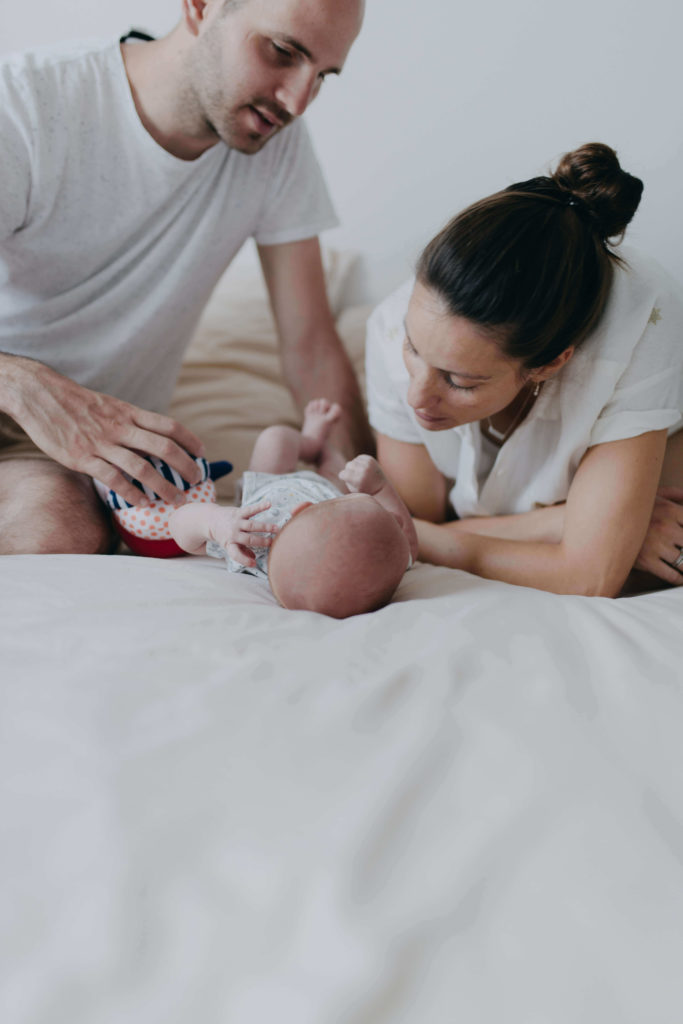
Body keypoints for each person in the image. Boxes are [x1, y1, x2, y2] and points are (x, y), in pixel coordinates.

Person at [0, 0, 371, 556]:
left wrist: (369, 499)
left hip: (62, 458)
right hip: (13, 398)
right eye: (282, 51)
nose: (297, 100)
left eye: (323, 76)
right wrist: (27, 387)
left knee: (57, 530)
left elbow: (311, 346)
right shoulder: (28, 102)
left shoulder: (278, 147)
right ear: (200, 6)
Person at [365, 143, 683, 597]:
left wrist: (436, 540)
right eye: (413, 350)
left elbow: (589, 576)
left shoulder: (640, 324)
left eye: (460, 381)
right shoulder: (389, 325)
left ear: (550, 363)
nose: (417, 396)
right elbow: (411, 520)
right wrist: (562, 522)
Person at [169, 399, 417, 617]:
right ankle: (314, 446)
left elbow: (178, 524)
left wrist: (215, 523)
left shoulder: (251, 547)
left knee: (274, 439)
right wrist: (379, 487)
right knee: (335, 470)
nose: (398, 518)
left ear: (301, 509)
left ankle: (311, 440)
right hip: (329, 490)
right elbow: (409, 544)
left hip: (269, 487)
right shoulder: (389, 560)